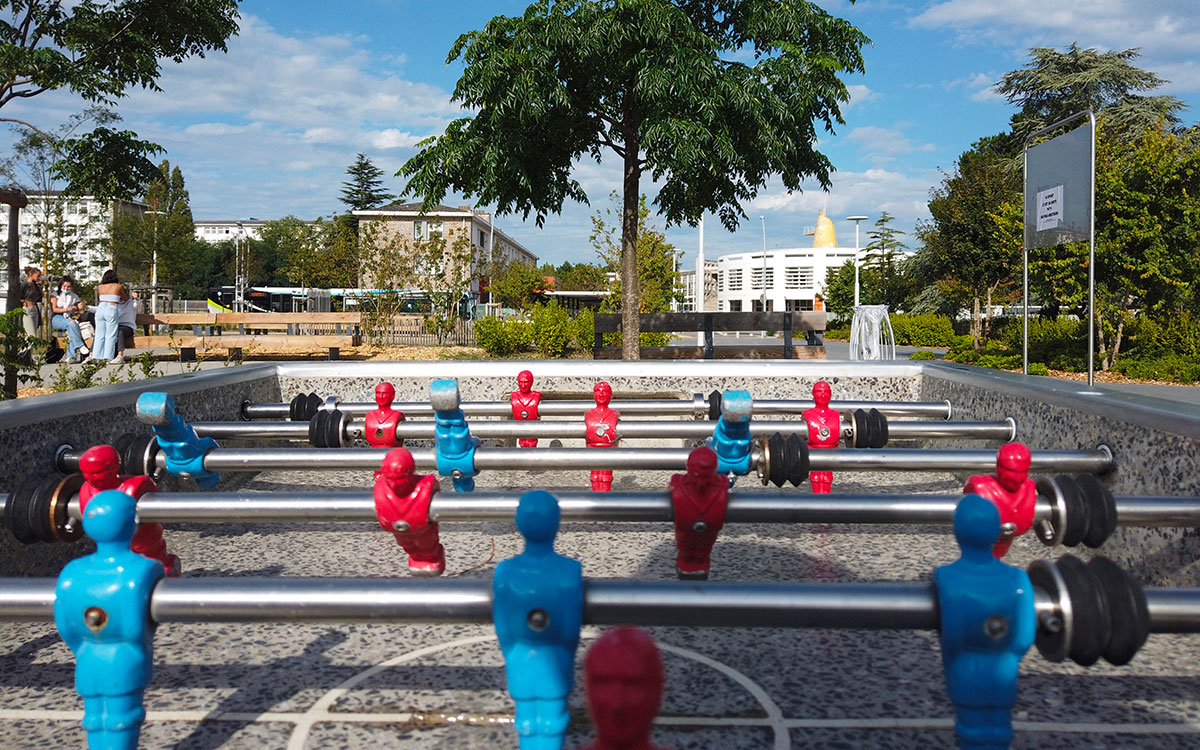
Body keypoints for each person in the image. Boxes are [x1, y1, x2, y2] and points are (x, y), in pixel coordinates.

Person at [88, 269, 128, 363]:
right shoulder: (118, 286)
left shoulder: (100, 287)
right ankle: (108, 356)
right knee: (110, 334)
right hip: (111, 307)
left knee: (99, 333)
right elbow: (125, 298)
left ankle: (96, 356)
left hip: (101, 308)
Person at [49, 275, 89, 363]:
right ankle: (80, 345)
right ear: (61, 286)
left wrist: (80, 306)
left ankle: (71, 356)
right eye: (64, 286)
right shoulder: (54, 295)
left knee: (71, 329)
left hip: (69, 317)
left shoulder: (74, 296)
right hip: (57, 317)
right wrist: (67, 309)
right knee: (72, 323)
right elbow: (54, 309)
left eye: (68, 287)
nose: (66, 288)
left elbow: (78, 305)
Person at [19, 266, 43, 362]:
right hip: (27, 310)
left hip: (35, 309)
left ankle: (26, 355)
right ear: (31, 275)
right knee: (31, 335)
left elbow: (39, 297)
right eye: (38, 276)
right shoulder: (25, 285)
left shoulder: (36, 286)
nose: (39, 278)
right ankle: (25, 354)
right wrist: (23, 302)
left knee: (31, 335)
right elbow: (19, 296)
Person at [115, 293, 139, 364]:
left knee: (120, 331)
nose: (121, 297)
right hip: (115, 327)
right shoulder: (114, 304)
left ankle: (120, 355)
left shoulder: (131, 303)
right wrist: (87, 307)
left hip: (129, 328)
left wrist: (136, 299)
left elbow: (137, 306)